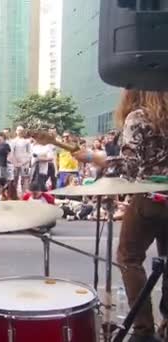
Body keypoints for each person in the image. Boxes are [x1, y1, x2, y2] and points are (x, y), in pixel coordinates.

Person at [72, 89, 168, 342]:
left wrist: (93, 157)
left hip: (150, 197)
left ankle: (144, 330)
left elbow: (130, 165)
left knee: (129, 258)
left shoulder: (140, 116)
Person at [10, 126, 32, 194]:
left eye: (21, 130)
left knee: (25, 179)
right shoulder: (13, 141)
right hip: (15, 164)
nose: (20, 132)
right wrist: (15, 163)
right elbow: (11, 153)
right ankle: (14, 194)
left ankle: (25, 194)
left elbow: (29, 153)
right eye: (18, 130)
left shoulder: (27, 142)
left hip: (25, 164)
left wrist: (25, 162)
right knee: (14, 179)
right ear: (16, 131)